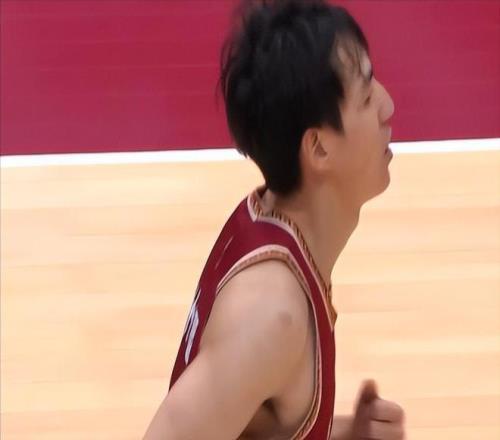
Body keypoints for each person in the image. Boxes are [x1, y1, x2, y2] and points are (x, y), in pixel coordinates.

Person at [144, 0, 405, 438]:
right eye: (366, 96)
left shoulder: (272, 222)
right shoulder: (271, 313)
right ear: (318, 148)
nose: (388, 105)